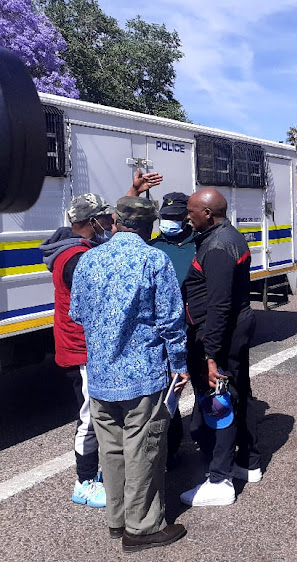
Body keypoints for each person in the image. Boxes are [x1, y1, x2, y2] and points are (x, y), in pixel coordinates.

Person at [69, 196, 189, 552]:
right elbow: (171, 321)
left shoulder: (88, 260)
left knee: (113, 451)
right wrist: (180, 365)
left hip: (102, 375)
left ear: (115, 222)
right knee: (144, 450)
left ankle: (117, 520)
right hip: (143, 376)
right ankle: (143, 527)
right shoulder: (154, 260)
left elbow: (77, 312)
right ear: (149, 225)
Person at [180, 188, 261, 507]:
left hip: (221, 336)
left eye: (191, 210)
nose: (188, 215)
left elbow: (219, 307)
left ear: (208, 213)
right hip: (233, 330)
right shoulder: (228, 236)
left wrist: (210, 356)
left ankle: (220, 480)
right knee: (237, 393)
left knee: (219, 401)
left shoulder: (216, 247)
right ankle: (248, 463)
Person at [40, 193, 116, 509]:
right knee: (88, 416)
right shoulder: (75, 258)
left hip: (80, 346)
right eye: (106, 218)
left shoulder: (76, 248)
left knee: (92, 411)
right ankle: (84, 482)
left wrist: (135, 191)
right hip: (81, 349)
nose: (111, 223)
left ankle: (92, 474)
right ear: (91, 221)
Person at [149, 192, 196, 467]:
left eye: (174, 218)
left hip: (192, 329)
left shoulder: (198, 246)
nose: (168, 223)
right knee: (168, 390)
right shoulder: (153, 247)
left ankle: (211, 440)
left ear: (186, 218)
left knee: (203, 385)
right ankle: (172, 446)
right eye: (164, 218)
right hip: (162, 333)